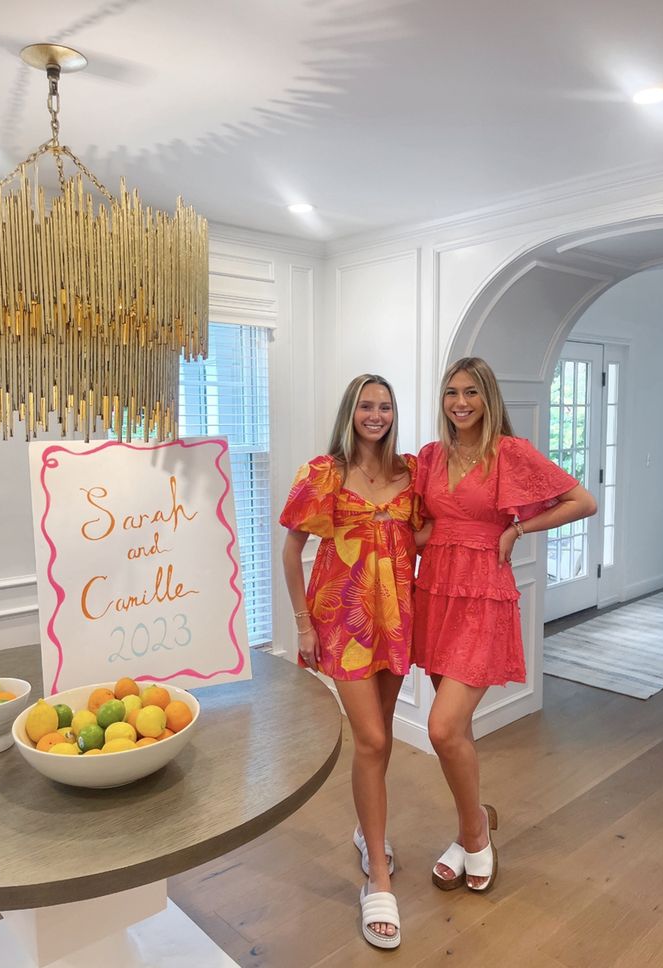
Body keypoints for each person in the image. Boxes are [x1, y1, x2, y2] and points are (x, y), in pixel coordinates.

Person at [413, 357, 597, 893]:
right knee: (458, 732)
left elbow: (581, 500)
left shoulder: (508, 454)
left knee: (442, 728)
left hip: (482, 597)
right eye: (451, 393)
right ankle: (473, 823)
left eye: (471, 392)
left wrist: (520, 528)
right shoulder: (429, 456)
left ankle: (474, 833)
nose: (460, 403)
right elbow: (423, 530)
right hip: (436, 593)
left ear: (488, 398)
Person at [280, 374, 421, 949]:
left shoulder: (411, 472)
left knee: (380, 737)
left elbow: (434, 529)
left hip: (397, 620)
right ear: (350, 411)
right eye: (366, 405)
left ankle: (370, 832)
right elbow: (292, 549)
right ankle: (378, 879)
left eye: (385, 406)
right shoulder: (325, 473)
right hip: (342, 623)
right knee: (371, 741)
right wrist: (302, 623)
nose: (376, 415)